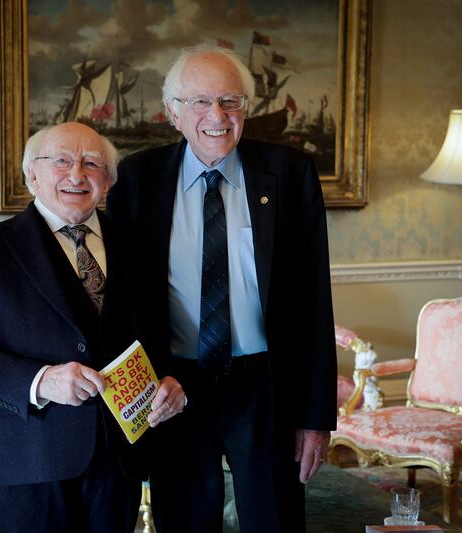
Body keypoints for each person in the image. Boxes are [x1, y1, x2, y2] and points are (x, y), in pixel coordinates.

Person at [106, 45, 337, 532]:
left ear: (246, 110)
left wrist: (316, 417)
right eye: (199, 102)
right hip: (173, 385)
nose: (217, 116)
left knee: (273, 518)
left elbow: (316, 303)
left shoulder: (290, 174)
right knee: (185, 519)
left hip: (265, 383)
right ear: (173, 112)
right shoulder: (137, 179)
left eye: (231, 102)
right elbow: (122, 300)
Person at [0, 122, 153, 533]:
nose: (77, 174)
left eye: (92, 163)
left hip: (117, 459)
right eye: (61, 161)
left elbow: (154, 337)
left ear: (107, 182)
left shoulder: (136, 244)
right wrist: (42, 381)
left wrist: (168, 380)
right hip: (26, 458)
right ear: (32, 175)